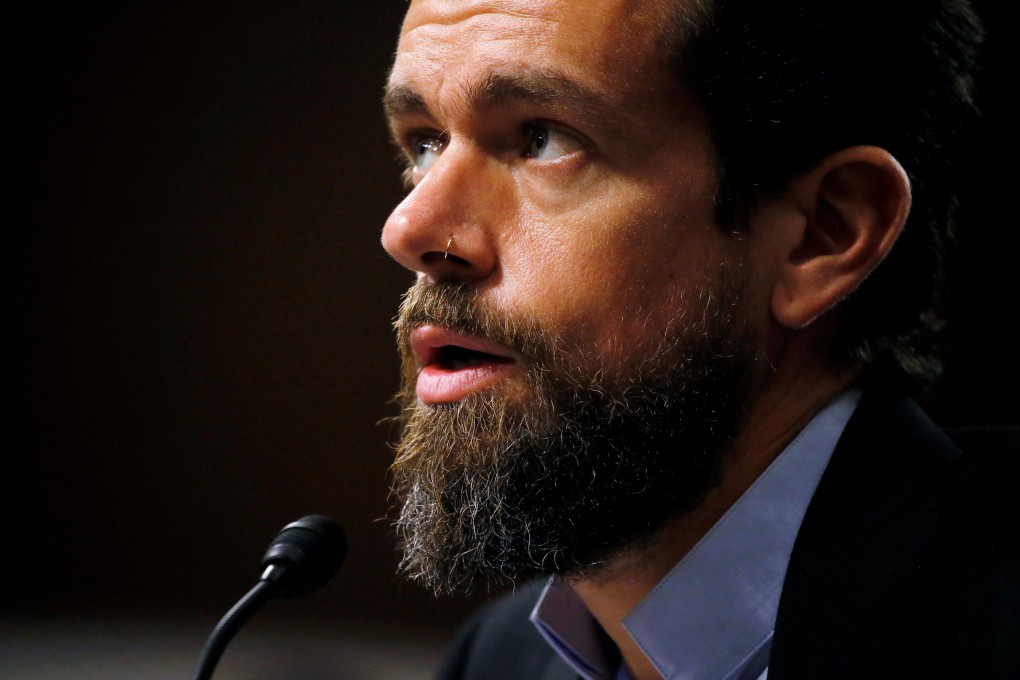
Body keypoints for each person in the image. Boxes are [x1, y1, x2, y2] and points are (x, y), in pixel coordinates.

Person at [380, 0, 1018, 678]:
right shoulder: (500, 659)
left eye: (544, 139)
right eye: (425, 143)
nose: (408, 230)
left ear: (822, 234)